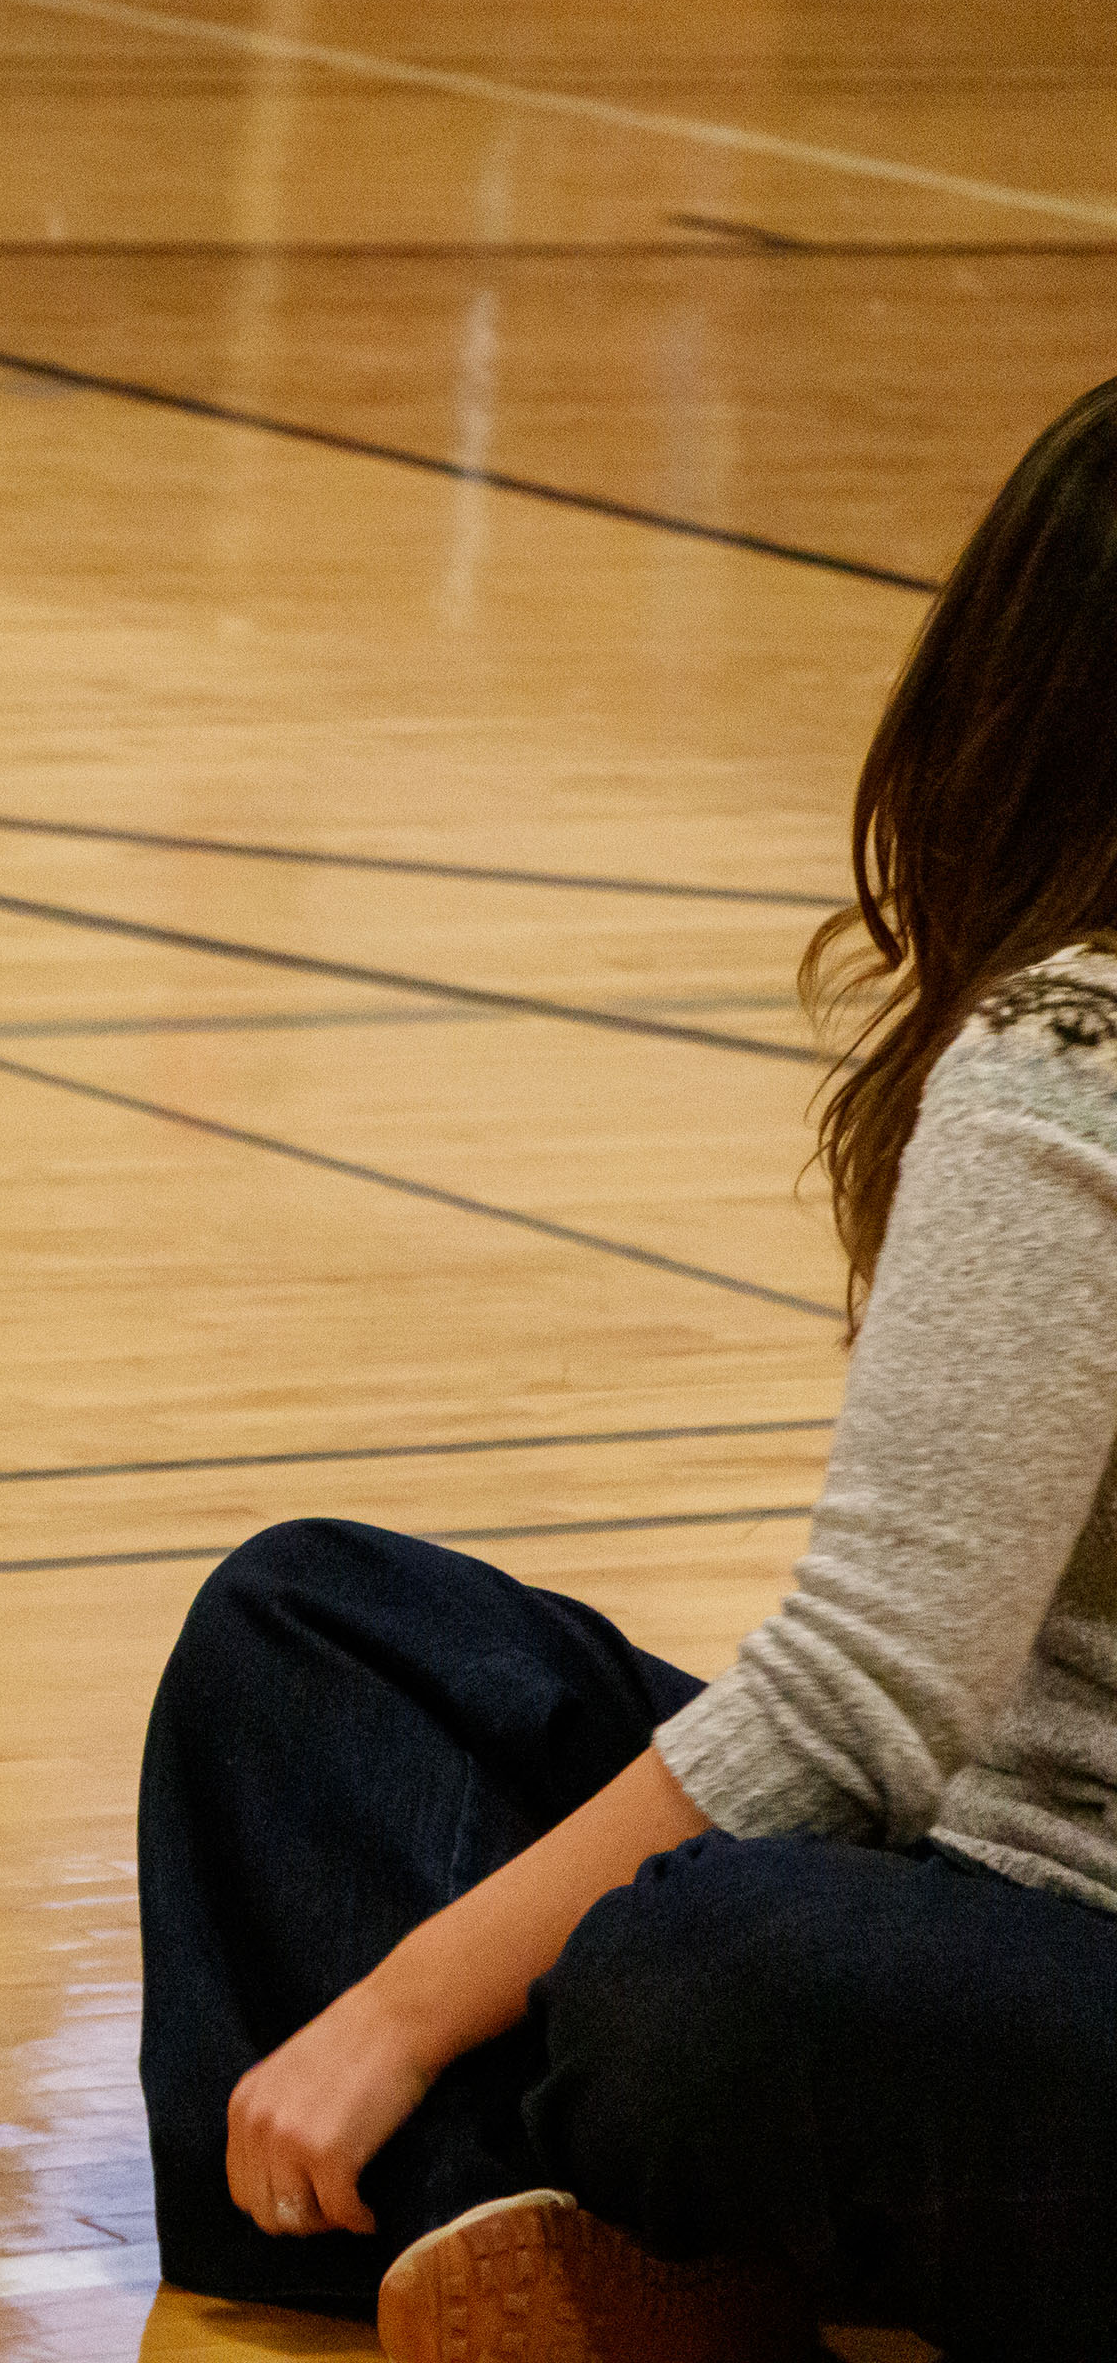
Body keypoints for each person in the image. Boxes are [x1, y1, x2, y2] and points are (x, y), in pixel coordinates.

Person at [138, 374, 1117, 2363]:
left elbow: (862, 1702)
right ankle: (564, 2276)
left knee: (714, 1975)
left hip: (1044, 1986)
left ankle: (541, 2260)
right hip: (1004, 1937)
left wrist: (409, 1998)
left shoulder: (1076, 1045)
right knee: (319, 1643)